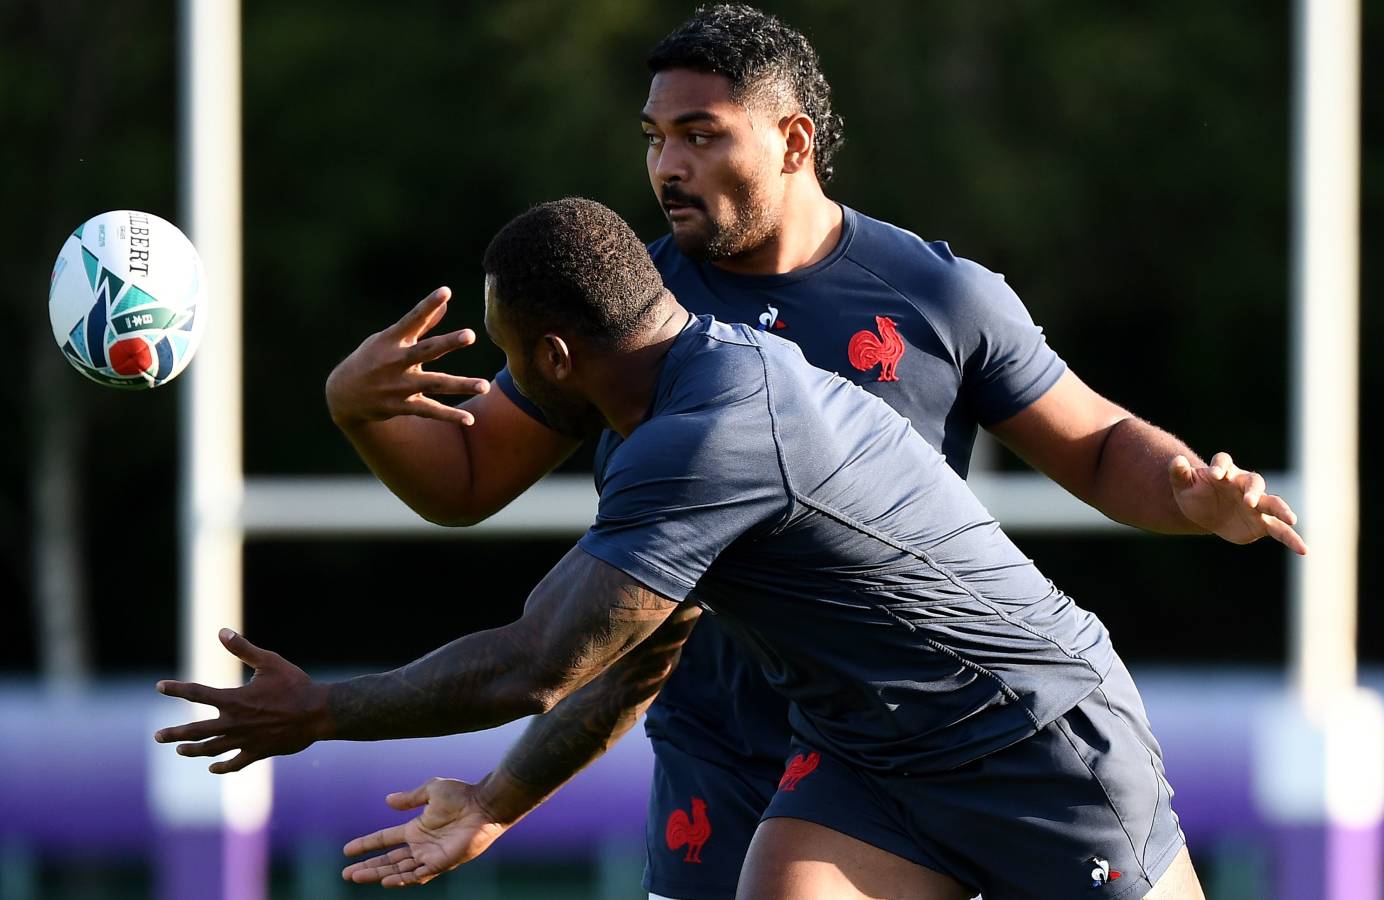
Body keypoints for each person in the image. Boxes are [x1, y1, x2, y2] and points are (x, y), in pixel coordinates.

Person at [164, 6, 1301, 897]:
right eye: (655, 137)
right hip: (824, 743)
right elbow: (616, 619)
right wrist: (363, 412)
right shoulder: (639, 309)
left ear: (792, 140)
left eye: (700, 133)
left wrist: (322, 714)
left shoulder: (865, 321)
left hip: (1024, 733)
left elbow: (536, 658)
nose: (669, 163)